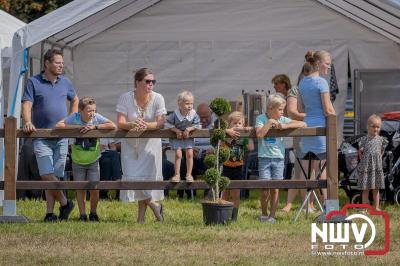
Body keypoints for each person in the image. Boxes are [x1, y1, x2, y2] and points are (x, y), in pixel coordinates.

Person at [22, 48, 79, 222]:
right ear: (47, 63)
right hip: (41, 136)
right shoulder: (33, 82)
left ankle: (49, 213)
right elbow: (27, 104)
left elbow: (75, 99)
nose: (61, 65)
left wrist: (72, 119)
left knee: (55, 175)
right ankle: (64, 202)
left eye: (62, 63)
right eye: (57, 62)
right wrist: (27, 121)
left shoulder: (65, 82)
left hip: (61, 137)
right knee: (47, 173)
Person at [116, 68, 165, 223]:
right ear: (137, 82)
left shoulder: (158, 98)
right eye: (147, 81)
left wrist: (146, 126)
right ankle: (154, 205)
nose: (151, 84)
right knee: (134, 179)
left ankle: (141, 218)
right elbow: (120, 122)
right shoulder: (125, 97)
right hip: (130, 145)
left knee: (146, 180)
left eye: (153, 81)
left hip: (151, 145)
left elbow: (161, 122)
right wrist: (132, 125)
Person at [55, 96, 116, 221]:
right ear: (80, 111)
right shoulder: (75, 117)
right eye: (89, 111)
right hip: (77, 161)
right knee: (80, 189)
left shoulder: (96, 118)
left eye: (94, 110)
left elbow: (112, 125)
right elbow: (59, 125)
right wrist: (76, 129)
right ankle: (82, 214)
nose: (92, 113)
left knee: (94, 189)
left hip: (93, 160)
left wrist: (95, 127)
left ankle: (93, 213)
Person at [256, 94, 306, 223]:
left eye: (283, 110)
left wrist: (284, 126)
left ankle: (272, 216)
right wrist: (270, 123)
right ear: (271, 108)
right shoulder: (261, 118)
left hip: (278, 158)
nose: (282, 112)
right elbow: (260, 134)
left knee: (275, 188)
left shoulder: (282, 120)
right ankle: (264, 213)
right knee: (264, 188)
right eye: (280, 109)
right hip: (264, 158)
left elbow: (303, 123)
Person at [298, 50, 336, 206]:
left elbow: (301, 109)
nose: (328, 67)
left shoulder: (302, 82)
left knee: (311, 168)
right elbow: (328, 110)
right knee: (326, 169)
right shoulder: (321, 82)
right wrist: (335, 125)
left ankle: (310, 206)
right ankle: (330, 207)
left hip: (307, 128)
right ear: (318, 63)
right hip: (321, 128)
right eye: (327, 64)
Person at [281, 70, 308, 213]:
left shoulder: (319, 88)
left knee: (311, 170)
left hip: (315, 134)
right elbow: (291, 113)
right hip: (302, 134)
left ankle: (310, 204)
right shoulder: (295, 90)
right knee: (299, 169)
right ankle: (293, 203)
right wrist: (311, 116)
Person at [221, 111, 254, 221]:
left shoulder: (243, 137)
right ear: (229, 124)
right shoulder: (225, 135)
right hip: (226, 166)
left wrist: (248, 134)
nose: (237, 125)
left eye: (239, 123)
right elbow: (216, 130)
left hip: (238, 167)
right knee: (225, 192)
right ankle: (223, 214)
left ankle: (234, 216)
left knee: (236, 193)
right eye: (234, 123)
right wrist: (226, 130)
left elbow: (251, 148)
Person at [165, 91, 201, 183]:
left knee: (190, 153)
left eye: (191, 103)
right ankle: (177, 174)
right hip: (178, 137)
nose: (190, 106)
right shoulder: (175, 115)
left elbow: (198, 125)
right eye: (187, 103)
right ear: (179, 104)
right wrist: (176, 130)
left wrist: (189, 129)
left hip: (188, 137)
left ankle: (189, 174)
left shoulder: (193, 114)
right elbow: (167, 123)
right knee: (178, 154)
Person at [356, 114, 388, 210]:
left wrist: (377, 158)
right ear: (368, 126)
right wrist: (364, 159)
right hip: (366, 167)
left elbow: (382, 151)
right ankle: (365, 207)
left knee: (376, 189)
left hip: (376, 167)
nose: (376, 129)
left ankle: (376, 207)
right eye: (373, 126)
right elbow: (360, 152)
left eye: (378, 127)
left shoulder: (382, 140)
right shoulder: (364, 139)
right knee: (366, 189)